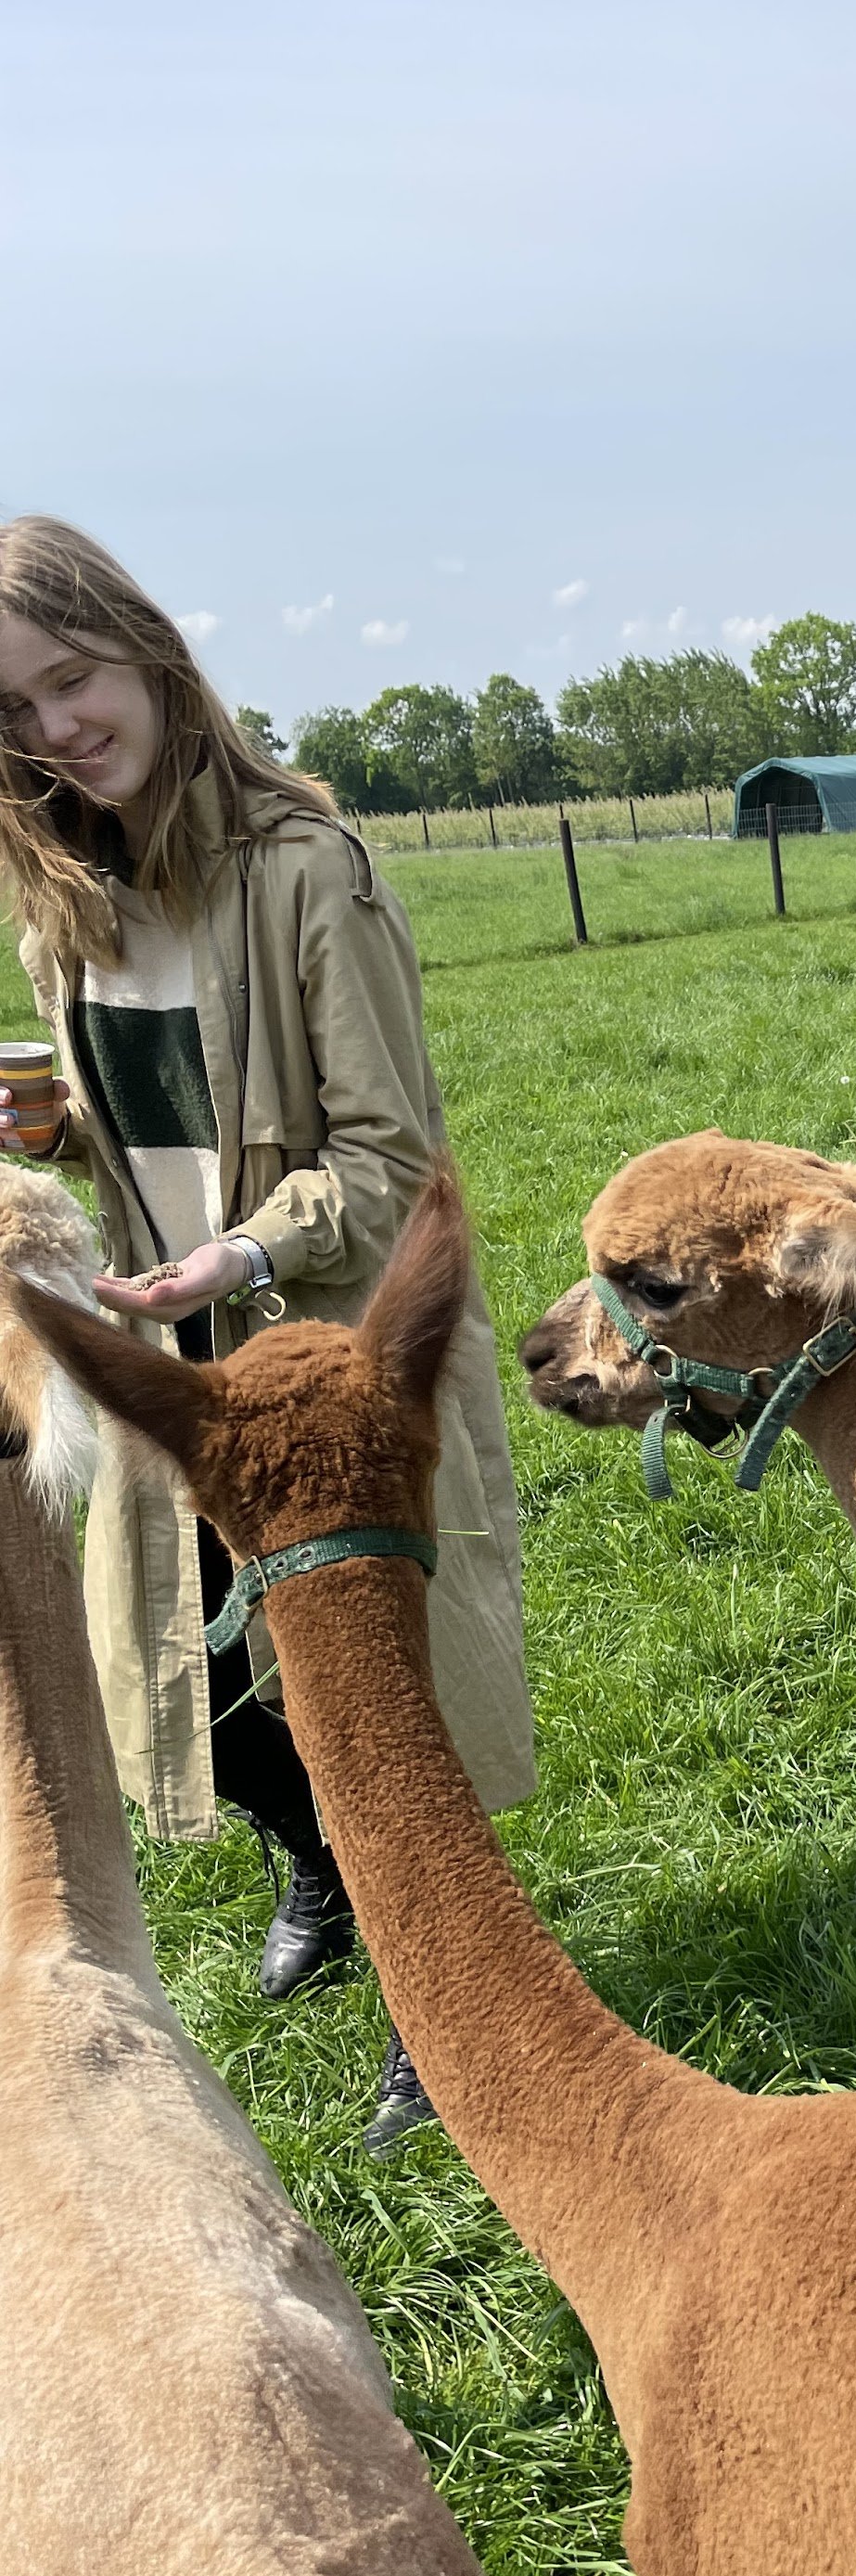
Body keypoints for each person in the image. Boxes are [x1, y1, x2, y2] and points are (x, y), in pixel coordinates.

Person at [0, 515, 534, 2152]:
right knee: (215, 1701)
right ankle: (317, 1871)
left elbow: (385, 1158)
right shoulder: (68, 909)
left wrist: (233, 1248)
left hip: (324, 1365)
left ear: (147, 653)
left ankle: (428, 2000)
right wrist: (59, 1139)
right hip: (173, 1369)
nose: (55, 731)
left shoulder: (311, 875)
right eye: (13, 714)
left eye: (71, 681)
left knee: (365, 1694)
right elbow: (153, 1129)